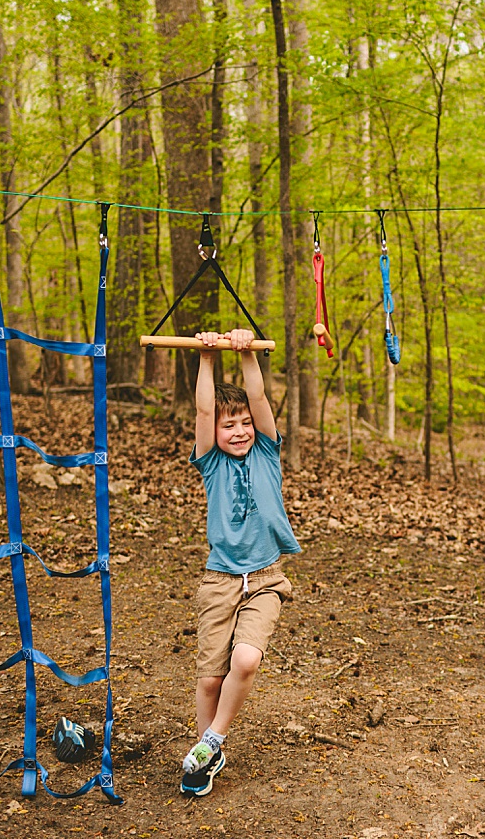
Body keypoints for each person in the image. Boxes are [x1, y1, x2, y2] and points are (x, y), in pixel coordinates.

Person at [179, 328, 301, 797]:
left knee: (245, 660)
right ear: (213, 433)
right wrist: (207, 357)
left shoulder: (268, 451)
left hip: (266, 577)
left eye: (244, 423)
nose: (239, 431)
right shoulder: (210, 462)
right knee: (210, 677)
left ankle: (213, 739)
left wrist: (246, 352)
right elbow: (204, 409)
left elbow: (259, 396)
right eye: (229, 426)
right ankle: (202, 760)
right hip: (220, 579)